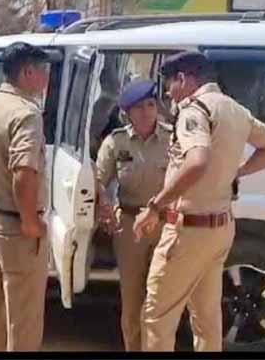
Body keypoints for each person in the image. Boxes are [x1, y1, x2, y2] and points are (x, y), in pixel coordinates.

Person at [132, 52, 265, 351]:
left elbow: (197, 161)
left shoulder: (195, 110)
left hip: (188, 232)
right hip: (219, 228)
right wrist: (237, 171)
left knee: (157, 317)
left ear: (183, 78)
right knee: (206, 317)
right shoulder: (234, 109)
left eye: (169, 84)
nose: (168, 93)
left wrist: (155, 207)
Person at [0, 42, 51, 351]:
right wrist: (31, 222)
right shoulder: (25, 113)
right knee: (23, 319)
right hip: (16, 226)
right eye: (43, 72)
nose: (46, 79)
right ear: (28, 72)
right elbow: (23, 174)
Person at [95, 79, 169, 351]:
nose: (146, 112)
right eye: (139, 108)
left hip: (166, 224)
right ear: (127, 113)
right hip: (130, 227)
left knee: (161, 298)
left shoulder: (174, 139)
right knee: (132, 298)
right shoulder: (116, 142)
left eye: (150, 105)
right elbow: (98, 180)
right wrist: (104, 205)